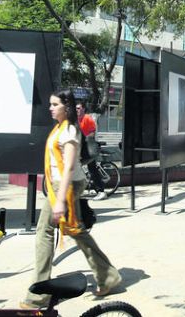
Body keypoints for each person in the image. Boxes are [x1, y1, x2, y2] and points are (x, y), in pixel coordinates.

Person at [21, 90, 122, 309]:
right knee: (76, 231)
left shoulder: (69, 130)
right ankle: (108, 276)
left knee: (45, 231)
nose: (50, 108)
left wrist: (59, 200)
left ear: (66, 107)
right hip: (61, 186)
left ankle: (39, 293)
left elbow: (68, 167)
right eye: (50, 103)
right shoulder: (60, 127)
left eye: (54, 104)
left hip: (65, 187)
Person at [76, 101, 107, 201]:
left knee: (92, 169)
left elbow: (92, 134)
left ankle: (101, 191)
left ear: (84, 109)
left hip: (89, 148)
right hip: (81, 147)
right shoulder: (76, 120)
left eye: (79, 108)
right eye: (76, 108)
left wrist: (85, 140)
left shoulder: (87, 119)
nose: (77, 110)